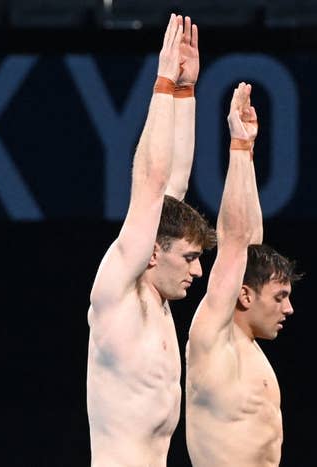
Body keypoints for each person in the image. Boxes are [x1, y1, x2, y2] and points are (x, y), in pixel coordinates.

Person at [86, 14, 215, 466]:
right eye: (191, 258)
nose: (199, 271)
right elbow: (153, 181)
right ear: (155, 251)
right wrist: (162, 81)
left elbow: (174, 182)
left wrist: (186, 92)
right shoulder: (119, 291)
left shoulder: (157, 297)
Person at [185, 83, 302, 467]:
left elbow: (249, 241)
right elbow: (235, 241)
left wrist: (249, 151)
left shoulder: (250, 351)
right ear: (246, 295)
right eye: (279, 297)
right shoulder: (214, 340)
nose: (289, 310)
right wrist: (236, 147)